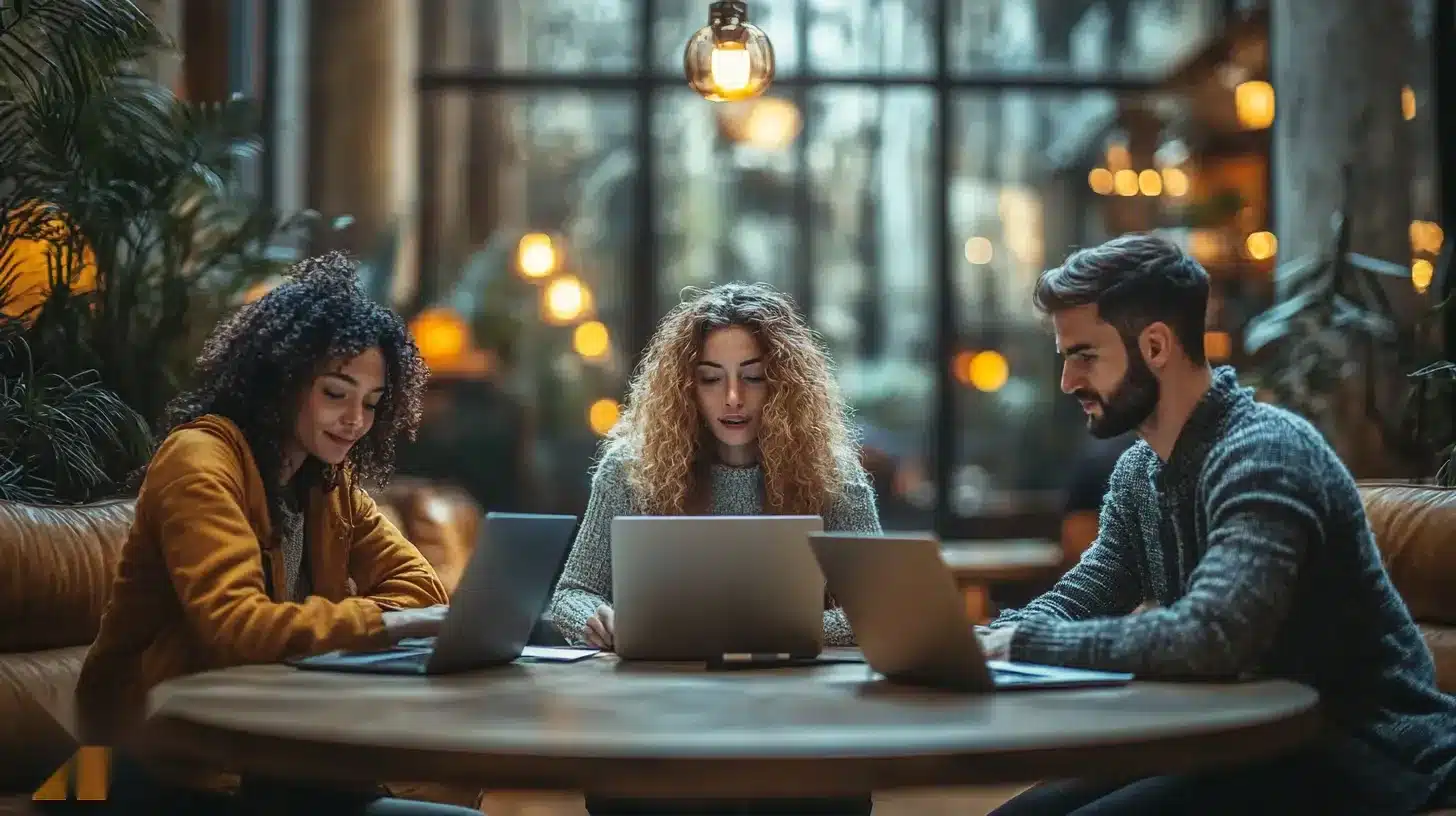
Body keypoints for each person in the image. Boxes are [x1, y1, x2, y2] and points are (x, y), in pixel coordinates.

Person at [978, 234, 1456, 815]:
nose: (1068, 381)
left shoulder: (1267, 453)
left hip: (1365, 751)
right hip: (1245, 744)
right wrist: (979, 642)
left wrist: (1023, 643)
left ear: (1154, 344)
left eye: (1084, 356)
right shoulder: (1140, 469)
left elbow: (1214, 636)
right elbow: (1089, 591)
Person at [71, 253, 481, 815]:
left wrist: (380, 619)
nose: (355, 421)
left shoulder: (324, 482)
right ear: (281, 380)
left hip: (278, 758)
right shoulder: (200, 460)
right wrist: (388, 622)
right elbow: (237, 626)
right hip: (163, 764)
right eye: (335, 394)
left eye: (371, 403)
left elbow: (422, 587)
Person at [546, 282, 881, 815]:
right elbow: (573, 591)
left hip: (799, 717)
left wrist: (778, 631)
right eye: (710, 379)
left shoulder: (834, 478)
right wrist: (595, 617)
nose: (732, 398)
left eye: (753, 378)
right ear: (684, 386)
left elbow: (878, 611)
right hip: (662, 715)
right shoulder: (631, 470)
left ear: (784, 385)